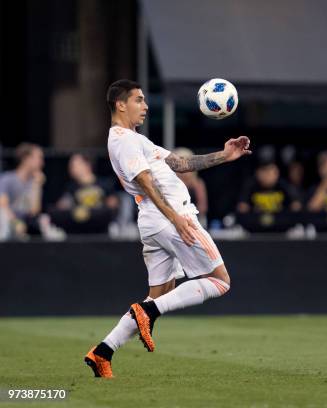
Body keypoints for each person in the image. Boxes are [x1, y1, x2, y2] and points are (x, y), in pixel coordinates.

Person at [84, 79, 252, 378]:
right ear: (120, 104)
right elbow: (146, 182)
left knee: (160, 294)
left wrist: (225, 155)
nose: (146, 106)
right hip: (170, 219)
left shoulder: (137, 140)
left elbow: (181, 163)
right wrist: (176, 218)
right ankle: (147, 313)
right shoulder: (124, 140)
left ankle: (103, 352)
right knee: (220, 281)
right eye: (139, 100)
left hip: (154, 222)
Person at [0, 143, 63, 240]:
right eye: (39, 158)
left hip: (25, 223)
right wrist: (15, 222)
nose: (42, 163)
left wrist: (37, 185)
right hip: (8, 222)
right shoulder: (7, 179)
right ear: (26, 159)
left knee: (44, 219)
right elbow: (3, 206)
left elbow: (34, 211)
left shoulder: (34, 182)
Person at [52, 153, 119, 233]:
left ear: (87, 165)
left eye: (74, 165)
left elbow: (113, 205)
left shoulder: (104, 184)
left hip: (100, 230)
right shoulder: (71, 187)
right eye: (70, 166)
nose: (71, 169)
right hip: (78, 231)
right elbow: (62, 206)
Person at [173, 147, 208, 224]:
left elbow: (202, 207)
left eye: (186, 162)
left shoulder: (197, 183)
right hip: (174, 220)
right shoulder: (172, 182)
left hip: (194, 220)